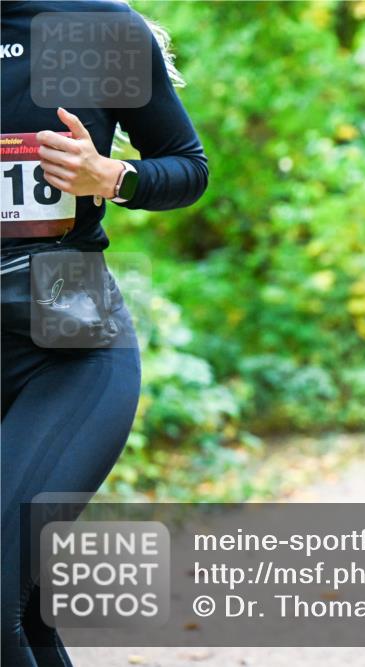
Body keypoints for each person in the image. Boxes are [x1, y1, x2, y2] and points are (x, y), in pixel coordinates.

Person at [1, 3, 208, 665]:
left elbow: (187, 165)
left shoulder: (96, 27)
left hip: (68, 348)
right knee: (21, 606)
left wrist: (113, 176)